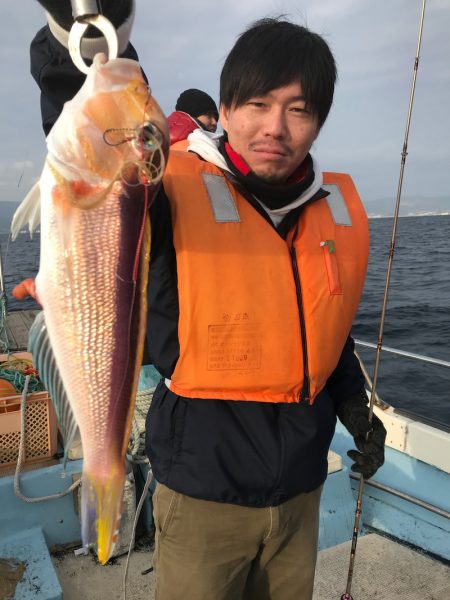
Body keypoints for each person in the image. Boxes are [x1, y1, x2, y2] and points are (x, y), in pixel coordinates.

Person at [28, 2, 387, 599]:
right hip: (203, 492)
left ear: (318, 121)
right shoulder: (169, 189)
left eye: (298, 110)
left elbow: (321, 328)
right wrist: (93, 34)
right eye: (257, 105)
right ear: (223, 112)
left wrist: (353, 404)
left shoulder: (330, 211)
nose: (276, 127)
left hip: (301, 490)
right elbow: (102, 147)